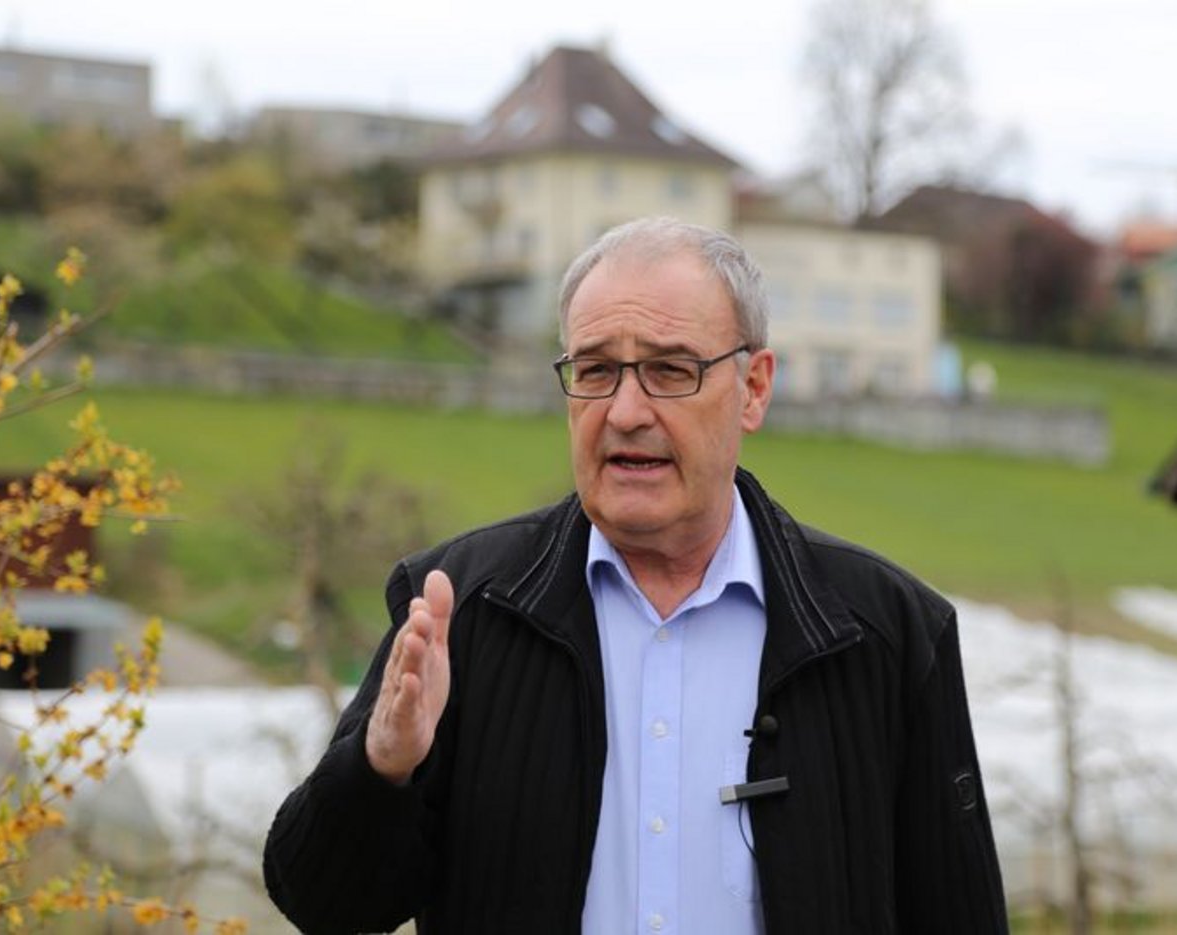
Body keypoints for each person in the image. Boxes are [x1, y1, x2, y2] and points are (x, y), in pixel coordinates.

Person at [264, 217, 1008, 934]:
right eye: (594, 370)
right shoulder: (459, 607)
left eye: (669, 370)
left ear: (753, 388)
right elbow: (324, 903)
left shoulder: (886, 632)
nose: (624, 411)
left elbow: (957, 911)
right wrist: (380, 770)